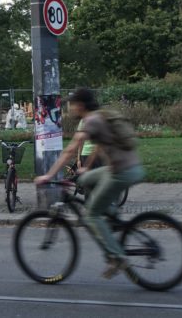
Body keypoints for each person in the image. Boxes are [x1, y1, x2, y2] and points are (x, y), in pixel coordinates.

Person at [35, 88, 144, 279]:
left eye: (72, 103)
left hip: (122, 172)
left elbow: (70, 150)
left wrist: (48, 175)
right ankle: (111, 215)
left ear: (80, 105)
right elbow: (99, 147)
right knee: (85, 179)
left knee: (91, 214)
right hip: (126, 167)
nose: (70, 107)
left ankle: (117, 257)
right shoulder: (99, 117)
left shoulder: (91, 120)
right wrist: (87, 169)